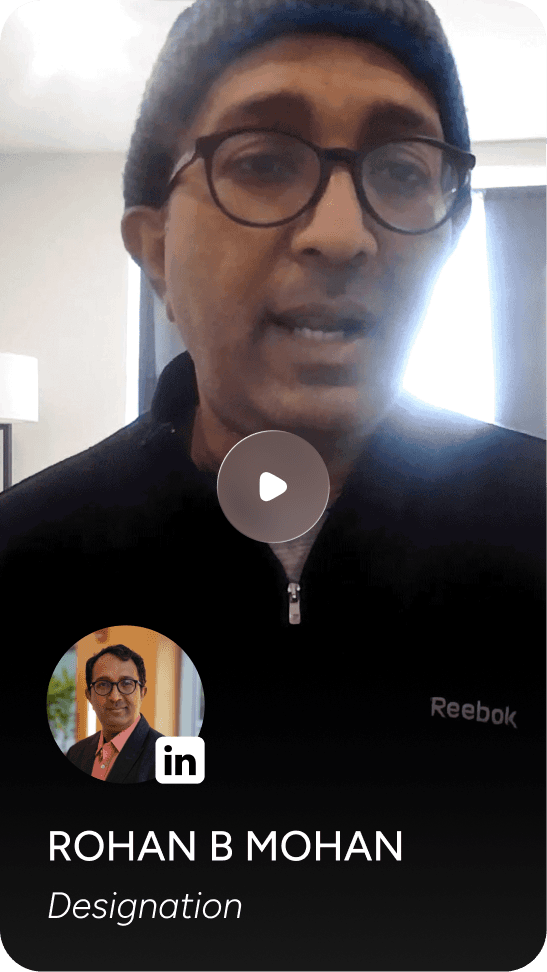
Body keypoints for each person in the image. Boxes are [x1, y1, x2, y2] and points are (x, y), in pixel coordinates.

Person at [0, 2, 544, 964]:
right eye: (260, 161)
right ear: (156, 250)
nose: (342, 234)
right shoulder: (23, 560)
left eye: (401, 172)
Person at [66, 645, 163, 784]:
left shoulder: (169, 758)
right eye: (103, 684)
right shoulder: (75, 754)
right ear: (89, 696)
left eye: (127, 683)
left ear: (142, 693)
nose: (115, 697)